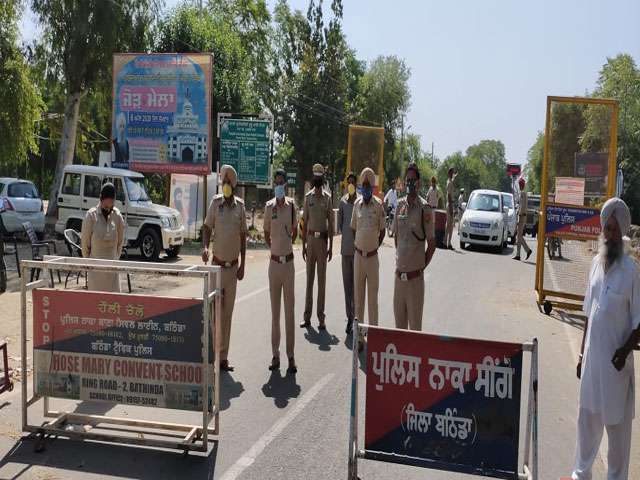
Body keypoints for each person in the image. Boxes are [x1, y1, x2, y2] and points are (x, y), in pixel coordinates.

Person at [571, 197, 640, 480]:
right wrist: (581, 355)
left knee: (617, 431)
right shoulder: (595, 265)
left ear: (622, 231)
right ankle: (580, 474)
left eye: (614, 229)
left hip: (616, 367)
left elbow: (639, 321)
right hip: (592, 362)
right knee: (586, 422)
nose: (609, 234)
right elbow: (589, 313)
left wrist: (624, 351)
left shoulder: (631, 271)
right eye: (606, 228)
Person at [202, 165, 247, 372]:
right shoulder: (215, 203)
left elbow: (243, 236)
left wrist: (243, 264)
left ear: (233, 185)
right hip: (217, 267)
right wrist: (205, 247)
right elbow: (207, 227)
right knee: (214, 312)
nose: (225, 184)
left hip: (232, 269)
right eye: (224, 181)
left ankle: (223, 358)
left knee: (227, 314)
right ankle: (213, 354)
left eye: (229, 182)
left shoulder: (240, 207)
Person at [393, 163, 436, 331]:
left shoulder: (425, 209)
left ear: (418, 183)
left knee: (415, 332)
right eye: (408, 180)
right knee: (399, 331)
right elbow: (397, 238)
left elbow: (432, 244)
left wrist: (420, 267)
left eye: (413, 180)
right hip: (399, 280)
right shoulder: (399, 206)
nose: (410, 183)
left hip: (415, 282)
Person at [264, 169, 298, 374]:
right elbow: (266, 233)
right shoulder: (269, 207)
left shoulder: (292, 206)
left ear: (285, 184)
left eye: (280, 182)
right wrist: (275, 250)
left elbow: (295, 232)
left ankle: (291, 357)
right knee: (275, 314)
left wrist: (285, 247)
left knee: (289, 313)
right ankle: (275, 355)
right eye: (275, 182)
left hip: (289, 265)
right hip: (274, 265)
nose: (278, 185)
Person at [351, 168, 385, 351]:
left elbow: (383, 231)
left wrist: (373, 246)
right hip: (358, 257)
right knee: (359, 300)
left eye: (368, 185)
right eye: (363, 185)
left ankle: (375, 339)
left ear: (372, 187)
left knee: (372, 301)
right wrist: (360, 245)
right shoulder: (356, 205)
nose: (365, 188)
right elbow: (353, 229)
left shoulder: (378, 206)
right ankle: (359, 339)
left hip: (372, 258)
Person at [300, 164, 334, 330]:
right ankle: (307, 317)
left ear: (323, 179)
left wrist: (331, 247)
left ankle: (321, 318)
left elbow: (331, 224)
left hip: (322, 243)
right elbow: (304, 223)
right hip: (311, 241)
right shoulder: (308, 198)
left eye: (320, 177)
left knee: (321, 282)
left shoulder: (327, 198)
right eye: (316, 177)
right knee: (309, 281)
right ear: (314, 179)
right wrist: (303, 246)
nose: (318, 180)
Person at [81, 183, 126, 292]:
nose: (109, 208)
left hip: (112, 271)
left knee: (113, 300)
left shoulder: (117, 216)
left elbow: (120, 243)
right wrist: (90, 264)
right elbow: (85, 245)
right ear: (101, 200)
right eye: (106, 206)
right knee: (96, 300)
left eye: (111, 206)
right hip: (95, 273)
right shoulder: (91, 216)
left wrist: (115, 260)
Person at [338, 172, 358, 334]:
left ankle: (357, 317)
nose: (351, 184)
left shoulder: (360, 202)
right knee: (347, 287)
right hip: (345, 250)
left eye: (353, 182)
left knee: (356, 287)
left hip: (358, 251)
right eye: (349, 182)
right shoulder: (342, 202)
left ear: (356, 185)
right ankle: (349, 318)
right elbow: (340, 225)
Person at [513, 177, 532, 261]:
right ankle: (518, 254)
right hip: (522, 216)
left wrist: (519, 216)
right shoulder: (523, 193)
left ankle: (527, 250)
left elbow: (522, 206)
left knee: (519, 235)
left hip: (522, 216)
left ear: (520, 185)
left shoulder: (523, 193)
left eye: (519, 184)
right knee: (519, 235)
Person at [445, 168, 456, 250]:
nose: (453, 174)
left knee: (449, 224)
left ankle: (446, 242)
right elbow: (449, 195)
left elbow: (452, 179)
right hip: (450, 204)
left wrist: (455, 176)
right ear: (449, 173)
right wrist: (451, 207)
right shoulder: (449, 182)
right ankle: (448, 243)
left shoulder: (450, 181)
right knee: (450, 225)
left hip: (450, 203)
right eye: (452, 173)